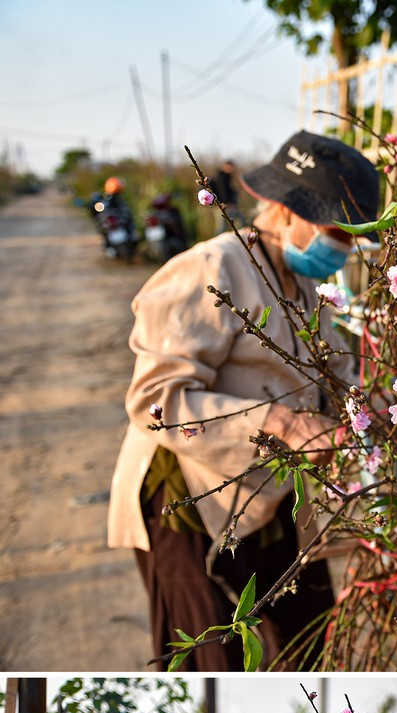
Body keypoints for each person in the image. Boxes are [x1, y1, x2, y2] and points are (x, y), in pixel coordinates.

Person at [108, 130, 381, 670]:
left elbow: (334, 373)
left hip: (266, 489)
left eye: (351, 239)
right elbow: (155, 403)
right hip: (185, 496)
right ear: (282, 210)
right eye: (335, 232)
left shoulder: (304, 286)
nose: (342, 250)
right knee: (211, 654)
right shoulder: (214, 270)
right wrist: (282, 422)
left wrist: (381, 410)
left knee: (306, 635)